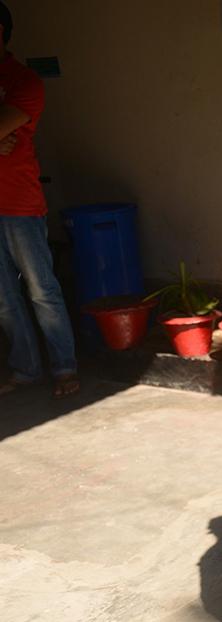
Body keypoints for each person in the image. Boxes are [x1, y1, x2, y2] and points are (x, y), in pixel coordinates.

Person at [0, 1, 79, 398]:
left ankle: (64, 368)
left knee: (41, 289)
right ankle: (26, 369)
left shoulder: (25, 81)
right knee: (2, 296)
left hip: (19, 203)